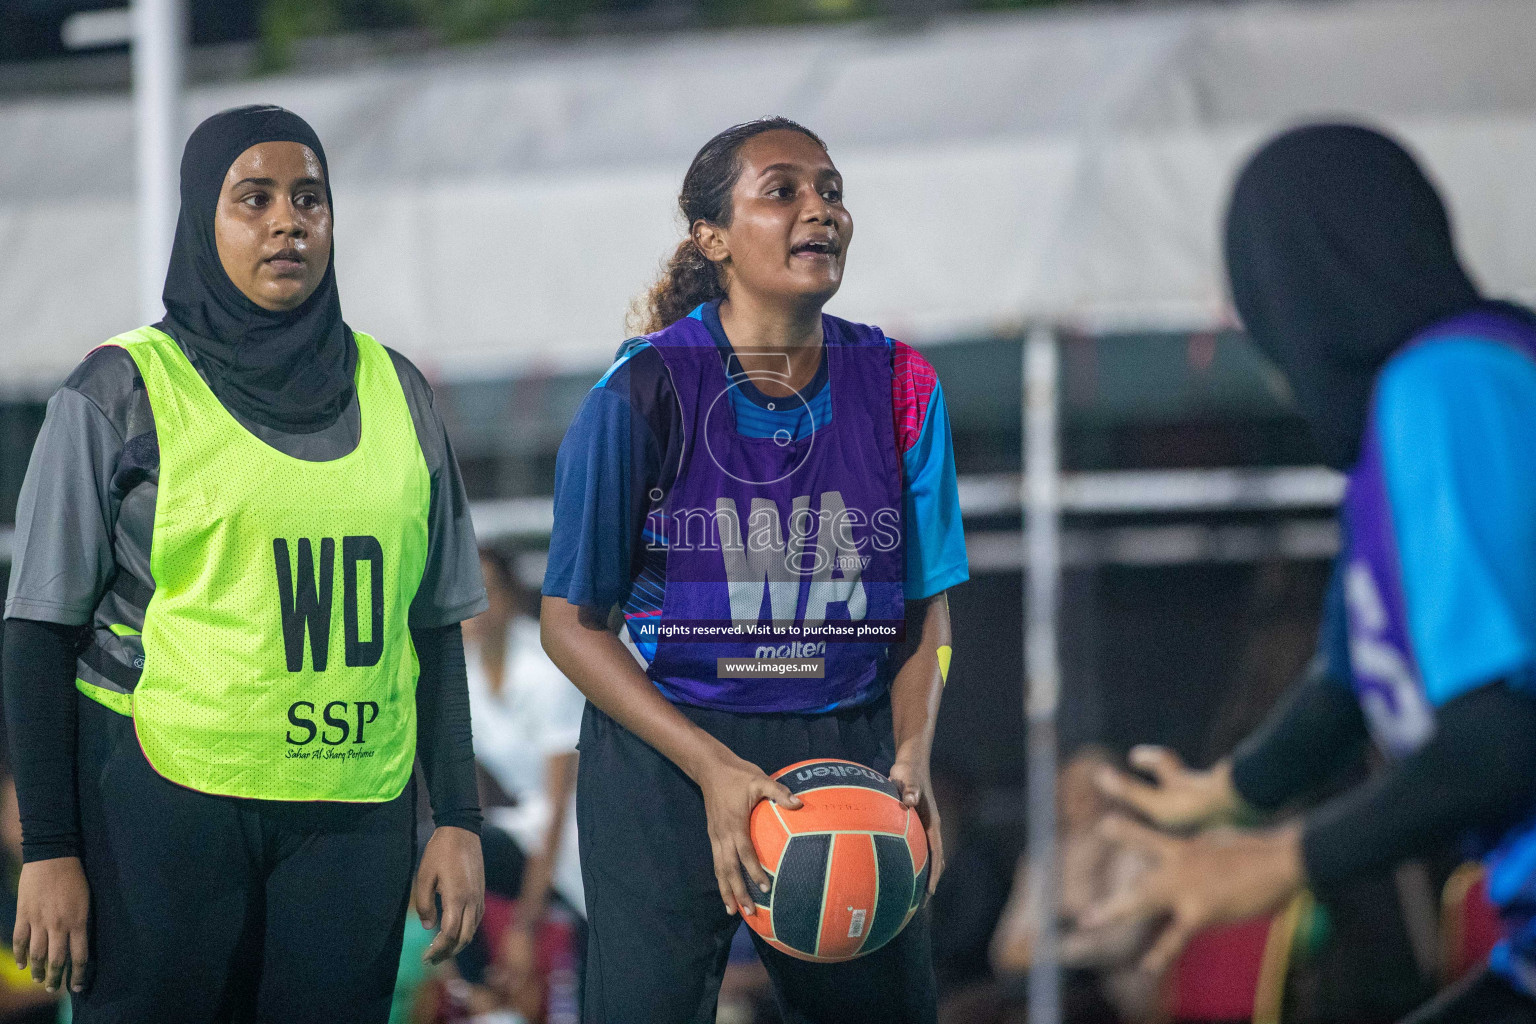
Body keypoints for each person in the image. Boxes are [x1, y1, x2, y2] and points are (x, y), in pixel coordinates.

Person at [2, 105, 488, 1022]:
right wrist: (50, 850)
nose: (287, 222)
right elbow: (35, 632)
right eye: (252, 199)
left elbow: (435, 631)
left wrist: (455, 818)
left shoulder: (402, 393)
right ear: (201, 217)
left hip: (356, 812)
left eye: (309, 199)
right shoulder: (120, 387)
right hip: (161, 805)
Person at [1088, 124, 1536, 1024]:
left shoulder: (1448, 386)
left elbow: (1503, 734)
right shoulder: (1398, 435)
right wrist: (1225, 794)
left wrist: (1280, 859)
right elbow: (1351, 672)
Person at [540, 117, 969, 1023]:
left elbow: (926, 613)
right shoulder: (642, 391)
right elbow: (571, 625)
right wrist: (710, 768)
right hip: (669, 757)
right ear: (713, 238)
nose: (821, 209)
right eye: (784, 191)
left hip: (842, 755)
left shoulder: (901, 385)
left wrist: (914, 755)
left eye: (832, 190)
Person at [461, 546, 585, 1016]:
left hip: (587, 836)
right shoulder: (464, 673)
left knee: (600, 991)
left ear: (511, 598)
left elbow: (559, 806)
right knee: (440, 851)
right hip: (532, 828)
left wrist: (523, 926)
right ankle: (486, 998)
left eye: (484, 593)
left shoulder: (544, 667)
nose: (471, 606)